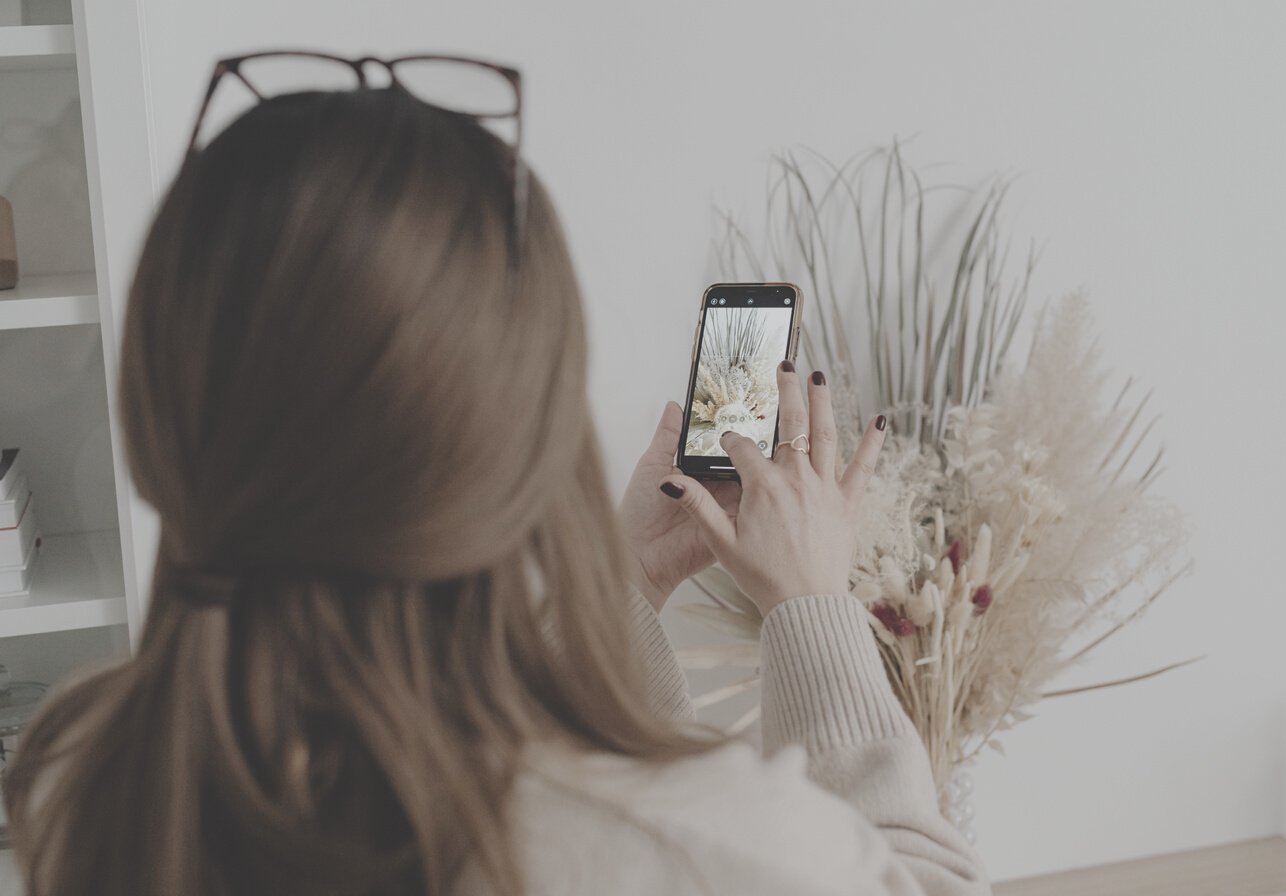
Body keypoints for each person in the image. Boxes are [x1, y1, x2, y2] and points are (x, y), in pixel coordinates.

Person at [3, 55, 991, 896]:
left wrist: (626, 585)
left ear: (151, 421)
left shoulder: (84, 771)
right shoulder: (712, 838)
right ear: (531, 437)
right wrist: (812, 607)